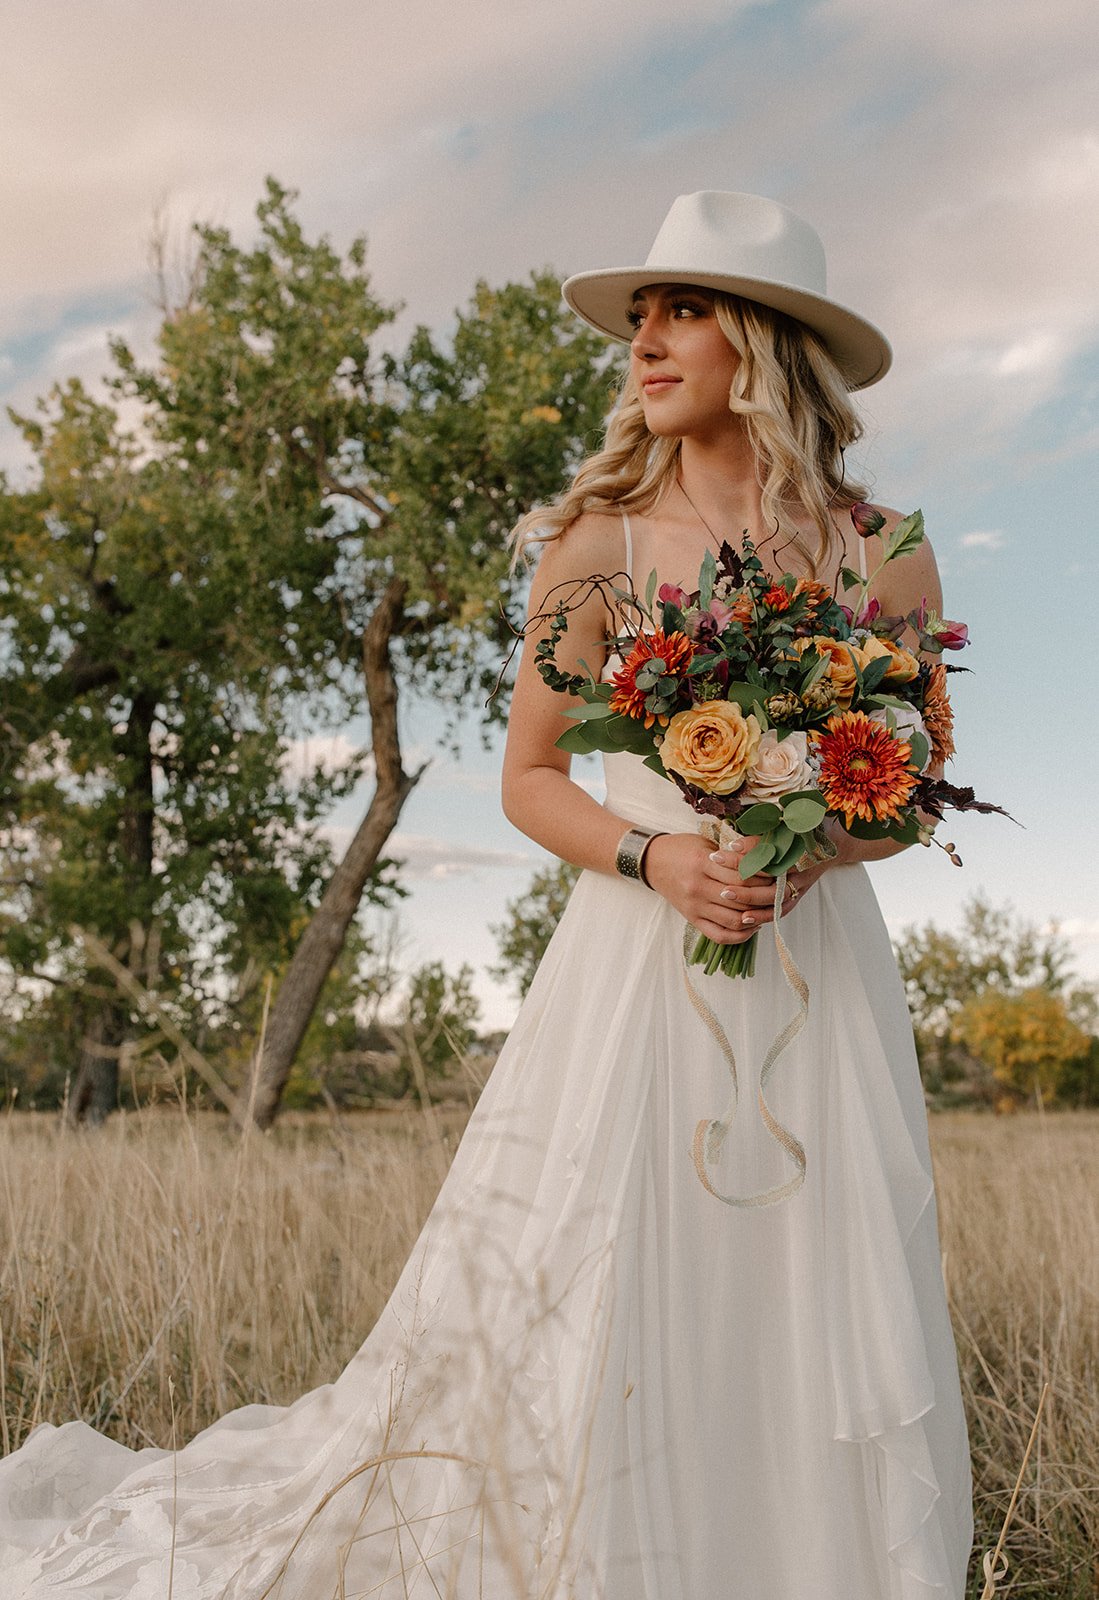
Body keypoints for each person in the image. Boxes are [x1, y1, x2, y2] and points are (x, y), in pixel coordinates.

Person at [0, 191, 974, 1599]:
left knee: (812, 1276)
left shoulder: (888, 548)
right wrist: (658, 857)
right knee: (611, 1274)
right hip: (636, 965)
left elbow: (918, 780)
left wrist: (803, 848)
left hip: (816, 967)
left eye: (683, 308)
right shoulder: (597, 541)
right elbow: (528, 777)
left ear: (765, 341)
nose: (646, 339)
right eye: (641, 313)